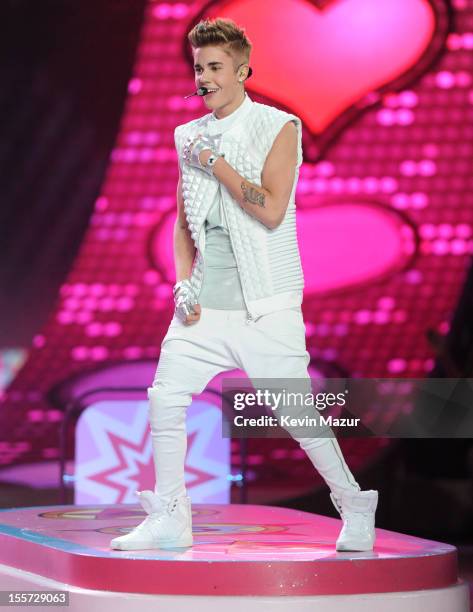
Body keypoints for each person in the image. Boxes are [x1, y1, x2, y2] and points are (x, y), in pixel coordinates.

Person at [110, 17, 378, 552]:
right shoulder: (187, 135)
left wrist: (217, 164)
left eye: (214, 67)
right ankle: (170, 515)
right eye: (198, 67)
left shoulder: (279, 127)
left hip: (265, 308)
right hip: (203, 308)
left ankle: (353, 502)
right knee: (165, 399)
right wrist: (183, 286)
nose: (204, 77)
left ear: (242, 71)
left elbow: (273, 210)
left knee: (298, 417)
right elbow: (186, 221)